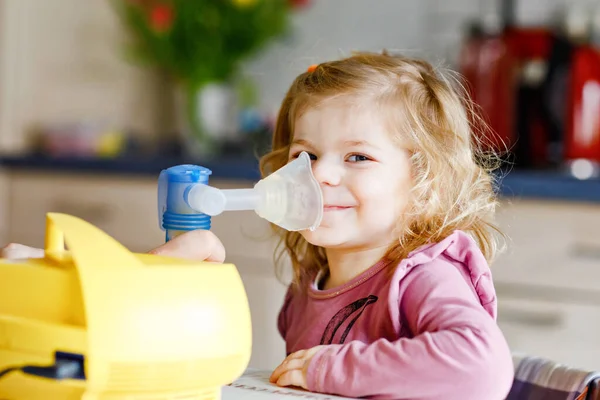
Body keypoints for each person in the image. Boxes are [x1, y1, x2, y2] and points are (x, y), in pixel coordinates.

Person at [2, 51, 515, 400]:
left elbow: (482, 368)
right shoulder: (307, 287)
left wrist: (328, 369)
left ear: (423, 182)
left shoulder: (421, 276)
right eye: (306, 154)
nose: (321, 174)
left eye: (357, 157)